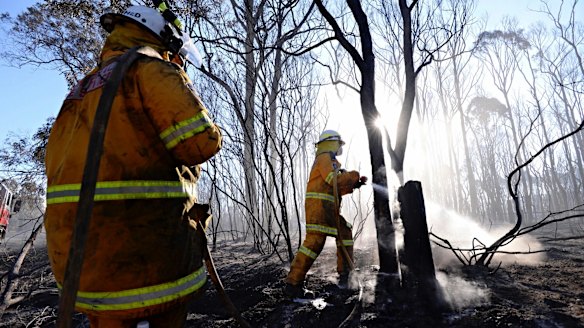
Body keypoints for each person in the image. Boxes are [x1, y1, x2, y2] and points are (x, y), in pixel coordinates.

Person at [44, 5, 222, 327]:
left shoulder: (81, 89)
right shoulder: (150, 70)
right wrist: (180, 81)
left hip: (82, 265)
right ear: (162, 39)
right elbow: (201, 142)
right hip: (142, 261)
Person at [285, 130, 367, 298]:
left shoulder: (330, 160)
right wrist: (353, 176)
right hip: (319, 209)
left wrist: (353, 184)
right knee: (314, 244)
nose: (340, 148)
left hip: (327, 209)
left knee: (343, 232)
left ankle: (345, 275)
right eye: (338, 144)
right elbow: (332, 179)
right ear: (331, 143)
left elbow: (334, 187)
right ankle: (293, 284)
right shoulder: (324, 158)